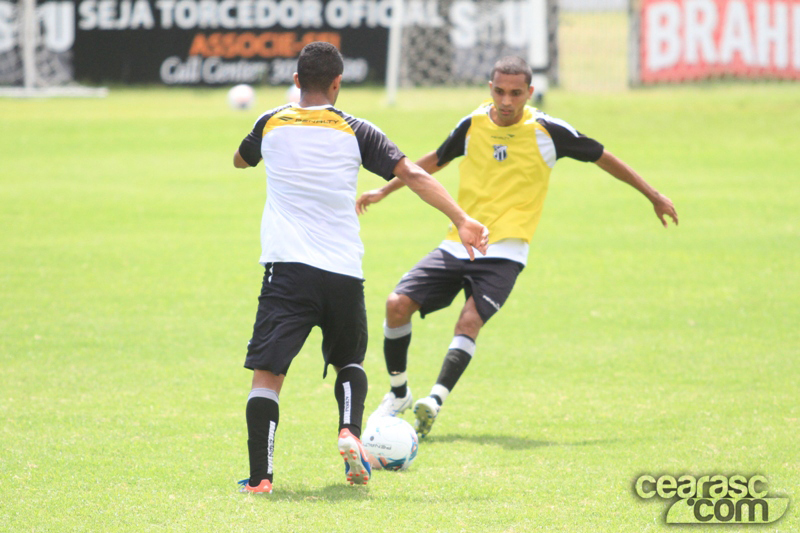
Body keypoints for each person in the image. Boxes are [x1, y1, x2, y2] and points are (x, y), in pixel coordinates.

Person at [357, 56, 678, 439]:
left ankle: (435, 400)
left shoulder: (548, 130)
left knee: (469, 322)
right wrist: (384, 189)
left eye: (515, 93)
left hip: (506, 252)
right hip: (458, 244)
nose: (506, 100)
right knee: (396, 305)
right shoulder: (473, 124)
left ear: (529, 92)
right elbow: (434, 161)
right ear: (489, 88)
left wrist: (653, 195)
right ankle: (399, 393)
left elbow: (602, 157)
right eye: (499, 91)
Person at [232, 42, 489, 494]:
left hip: (287, 270)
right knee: (349, 360)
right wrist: (461, 218)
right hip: (343, 271)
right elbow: (412, 174)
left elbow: (240, 159)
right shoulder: (357, 130)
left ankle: (260, 479)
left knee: (268, 375)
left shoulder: (270, 121)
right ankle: (349, 431)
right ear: (337, 84)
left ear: (296, 81)